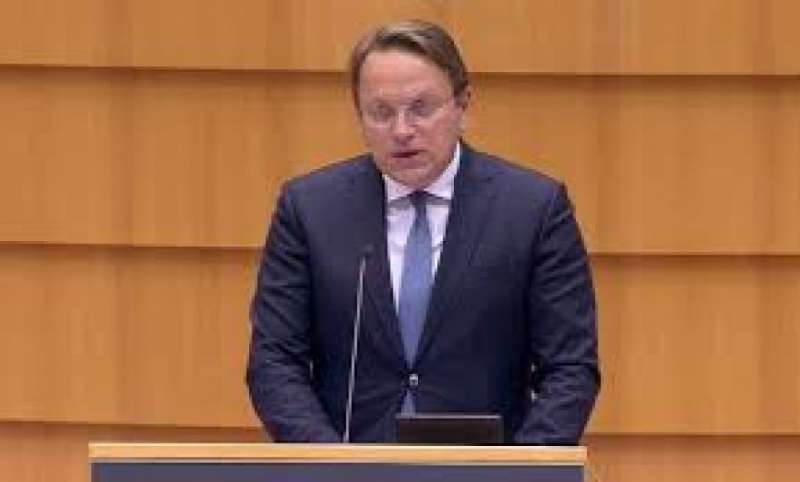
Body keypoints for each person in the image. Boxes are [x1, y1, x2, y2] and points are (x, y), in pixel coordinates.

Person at [247, 19, 599, 444]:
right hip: (350, 465)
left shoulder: (531, 209)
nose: (401, 130)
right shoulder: (310, 209)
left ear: (462, 105)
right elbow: (274, 361)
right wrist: (329, 465)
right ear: (359, 118)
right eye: (381, 113)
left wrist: (517, 469)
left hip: (485, 468)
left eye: (421, 108)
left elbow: (570, 368)